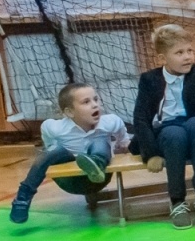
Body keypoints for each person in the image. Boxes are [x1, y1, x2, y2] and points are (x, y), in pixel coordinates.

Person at [131, 24, 195, 229]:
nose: (187, 57)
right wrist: (151, 154)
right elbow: (141, 118)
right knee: (174, 134)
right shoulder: (149, 80)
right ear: (163, 58)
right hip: (167, 132)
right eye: (179, 53)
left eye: (190, 51)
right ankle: (177, 201)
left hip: (194, 131)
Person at [9, 82, 131, 224]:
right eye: (86, 102)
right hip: (69, 181)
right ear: (69, 112)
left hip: (100, 177)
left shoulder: (110, 122)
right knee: (52, 151)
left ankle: (95, 164)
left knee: (100, 139)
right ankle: (22, 198)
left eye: (95, 99)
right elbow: (47, 137)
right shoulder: (55, 127)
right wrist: (52, 152)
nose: (95, 105)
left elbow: (124, 139)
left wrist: (122, 145)